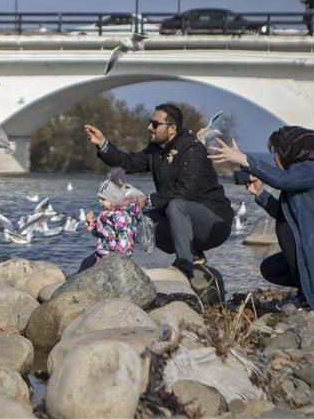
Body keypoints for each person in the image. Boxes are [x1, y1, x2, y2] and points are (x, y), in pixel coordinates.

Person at [207, 126, 314, 309]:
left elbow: (281, 179)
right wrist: (259, 193)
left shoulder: (313, 170)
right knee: (270, 268)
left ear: (291, 151)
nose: (274, 158)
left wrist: (243, 159)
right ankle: (310, 290)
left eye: (277, 152)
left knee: (289, 238)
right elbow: (284, 216)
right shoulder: (299, 178)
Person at [84, 103, 233, 287]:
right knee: (136, 218)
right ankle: (111, 260)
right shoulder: (155, 150)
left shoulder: (192, 149)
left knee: (177, 205)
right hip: (184, 218)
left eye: (155, 124)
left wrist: (149, 199)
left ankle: (184, 266)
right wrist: (103, 145)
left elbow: (187, 191)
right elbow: (128, 163)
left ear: (172, 129)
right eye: (149, 122)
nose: (149, 127)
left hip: (215, 222)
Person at [77, 167, 146, 272]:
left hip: (113, 257)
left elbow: (125, 239)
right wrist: (91, 223)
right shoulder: (105, 214)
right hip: (103, 253)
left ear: (115, 199)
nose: (100, 202)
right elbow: (100, 232)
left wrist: (117, 259)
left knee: (91, 269)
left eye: (103, 199)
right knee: (85, 263)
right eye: (99, 198)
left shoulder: (122, 217)